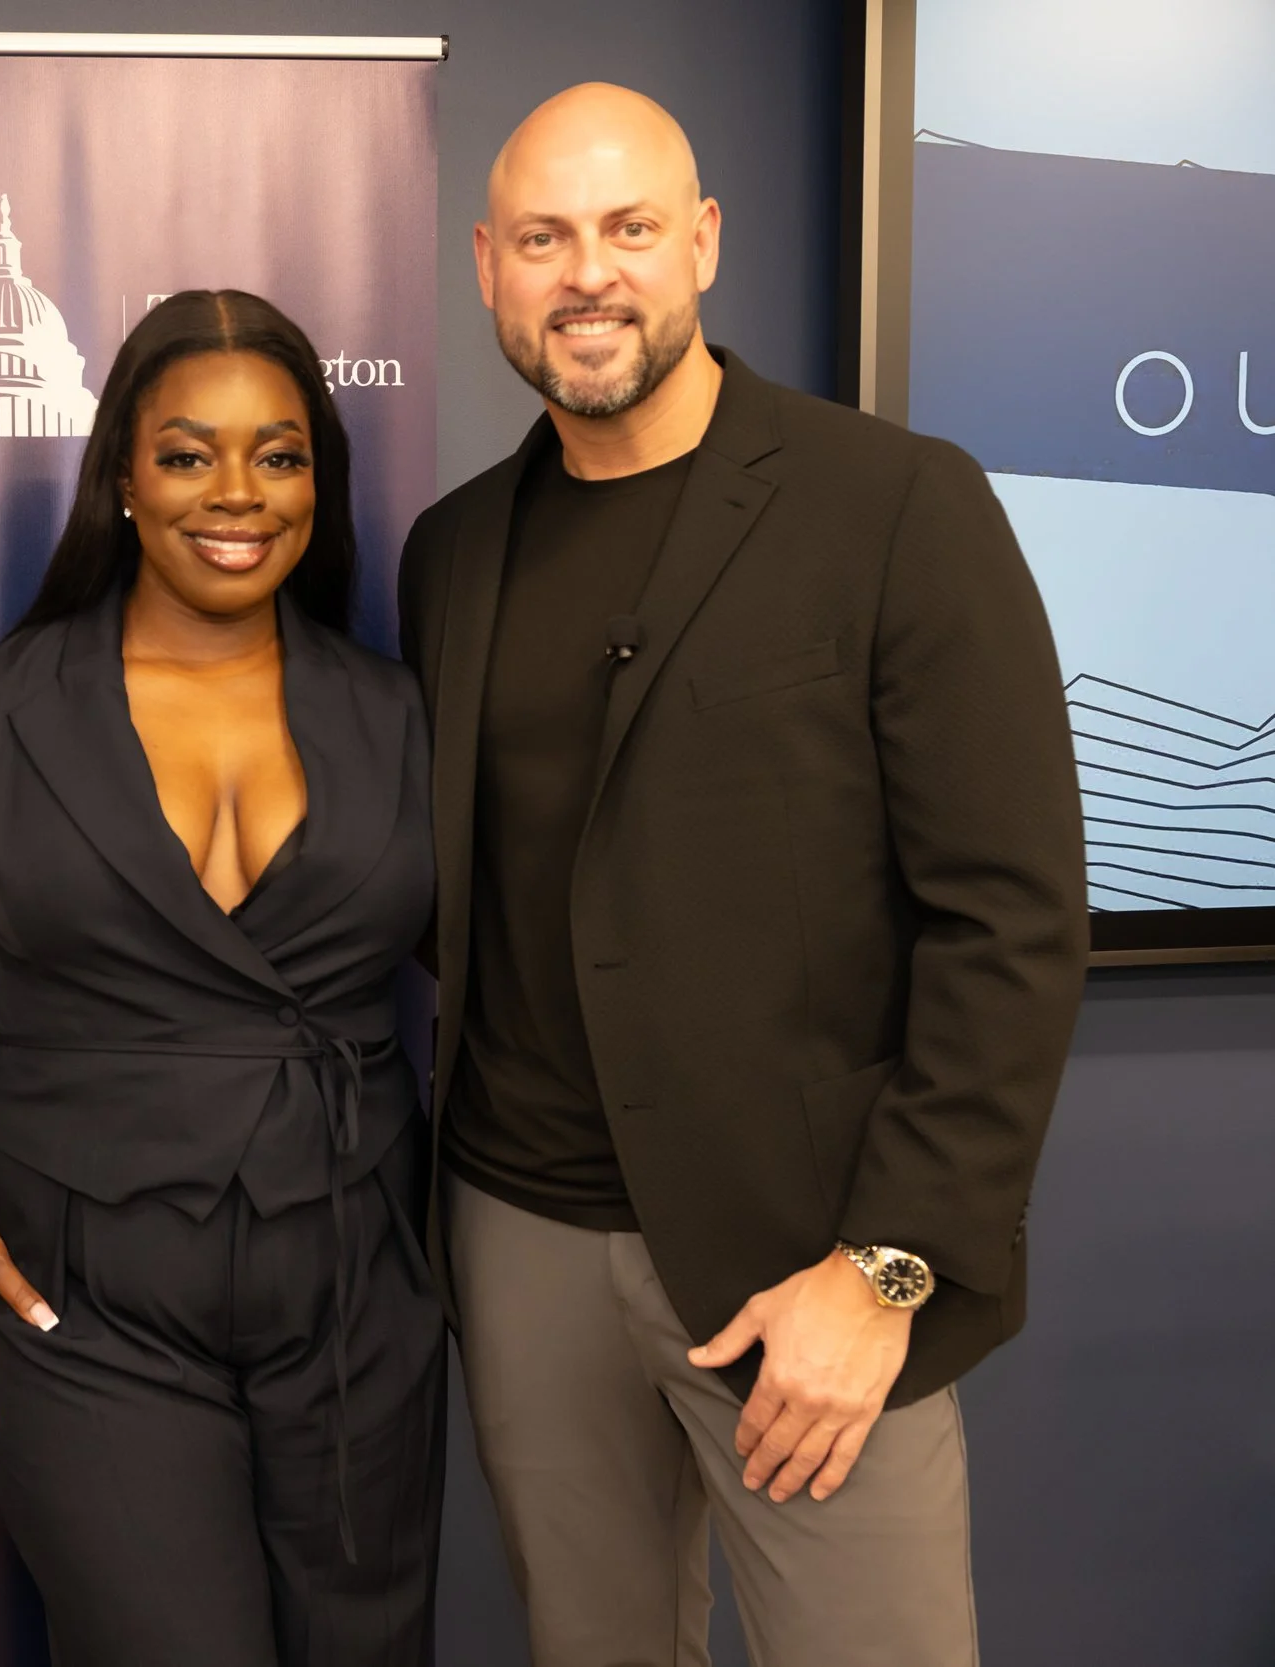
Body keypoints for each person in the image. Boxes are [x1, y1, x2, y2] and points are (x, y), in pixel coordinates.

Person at [395, 84, 1088, 1666]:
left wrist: (888, 1266)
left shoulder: (898, 505)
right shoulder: (453, 550)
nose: (592, 274)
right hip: (522, 1241)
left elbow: (1018, 920)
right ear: (488, 264)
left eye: (631, 229)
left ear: (700, 242)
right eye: (548, 238)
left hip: (811, 1264)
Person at [0, 290, 444, 1667]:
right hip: (87, 1289)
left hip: (353, 1279)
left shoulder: (398, 714)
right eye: (190, 452)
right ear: (123, 480)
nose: (238, 493)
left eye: (281, 453)